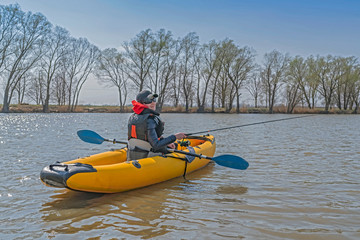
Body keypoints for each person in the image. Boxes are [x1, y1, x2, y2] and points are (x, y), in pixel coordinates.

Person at [127, 90, 186, 160]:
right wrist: (175, 137)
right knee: (175, 146)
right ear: (141, 103)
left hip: (135, 153)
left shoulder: (132, 117)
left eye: (154, 100)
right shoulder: (150, 119)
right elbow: (156, 145)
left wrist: (166, 143)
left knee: (170, 145)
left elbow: (144, 138)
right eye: (148, 100)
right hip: (149, 156)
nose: (152, 103)